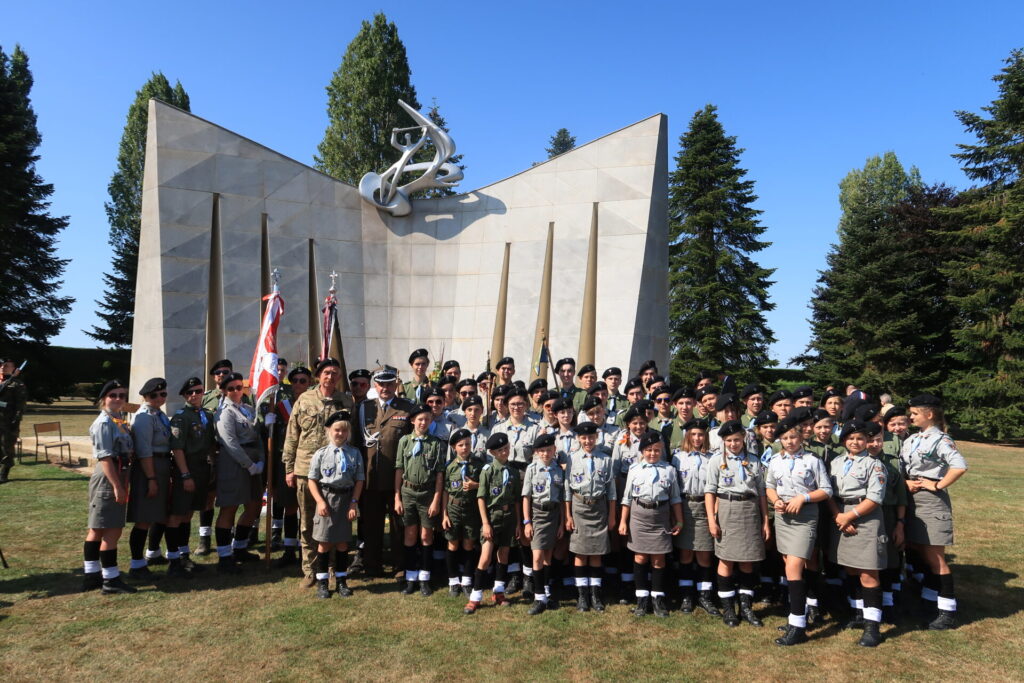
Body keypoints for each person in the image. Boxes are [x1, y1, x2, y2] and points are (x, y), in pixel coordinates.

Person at [282, 359, 354, 586]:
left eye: (334, 373)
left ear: (339, 376)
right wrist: (289, 468)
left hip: (336, 473)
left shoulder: (346, 401)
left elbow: (351, 438)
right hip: (306, 470)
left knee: (335, 520)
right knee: (307, 522)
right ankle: (310, 569)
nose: (330, 377)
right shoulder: (304, 400)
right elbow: (292, 435)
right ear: (318, 376)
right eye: (326, 373)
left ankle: (331, 566)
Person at [900, 394, 968, 630]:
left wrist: (937, 485)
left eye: (915, 413)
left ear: (929, 414)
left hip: (931, 501)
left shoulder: (941, 440)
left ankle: (947, 610)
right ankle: (929, 601)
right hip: (911, 498)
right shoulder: (912, 439)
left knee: (935, 557)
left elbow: (959, 466)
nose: (911, 417)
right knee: (918, 549)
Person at [766, 415, 833, 646]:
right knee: (789, 564)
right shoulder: (775, 460)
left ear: (801, 436)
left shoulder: (812, 460)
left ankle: (797, 625)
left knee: (794, 566)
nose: (789, 441)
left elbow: (826, 490)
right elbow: (770, 486)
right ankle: (800, 612)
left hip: (805, 516)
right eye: (784, 438)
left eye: (793, 437)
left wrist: (803, 497)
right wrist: (775, 501)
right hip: (784, 517)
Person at [828, 420, 888, 647]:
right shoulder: (836, 462)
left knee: (868, 571)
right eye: (851, 438)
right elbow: (830, 494)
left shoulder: (875, 465)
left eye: (860, 438)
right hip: (841, 514)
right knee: (850, 566)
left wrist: (849, 516)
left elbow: (875, 497)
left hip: (865, 516)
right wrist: (839, 517)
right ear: (844, 440)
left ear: (867, 441)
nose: (855, 442)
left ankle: (873, 627)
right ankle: (858, 614)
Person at [705, 420, 770, 628]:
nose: (734, 444)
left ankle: (746, 607)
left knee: (747, 560)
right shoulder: (716, 461)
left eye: (737, 440)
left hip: (750, 511)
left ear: (744, 439)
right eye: (729, 440)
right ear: (723, 441)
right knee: (726, 559)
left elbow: (761, 493)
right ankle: (729, 608)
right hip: (727, 508)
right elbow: (710, 491)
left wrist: (766, 520)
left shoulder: (754, 461)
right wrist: (711, 520)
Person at [354, 370, 416, 578]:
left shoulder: (407, 408)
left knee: (399, 524)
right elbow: (356, 442)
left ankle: (400, 566)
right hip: (370, 477)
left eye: (389, 384)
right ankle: (372, 565)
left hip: (397, 479)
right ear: (375, 386)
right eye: (381, 385)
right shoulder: (364, 408)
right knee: (372, 524)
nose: (385, 388)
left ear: (396, 384)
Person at [619, 432, 683, 617]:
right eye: (648, 450)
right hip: (639, 515)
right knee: (640, 557)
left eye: (656, 450)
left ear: (662, 450)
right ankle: (642, 599)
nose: (652, 454)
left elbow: (675, 498)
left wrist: (679, 520)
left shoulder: (669, 470)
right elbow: (627, 498)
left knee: (658, 559)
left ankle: (658, 599)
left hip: (660, 515)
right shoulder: (634, 469)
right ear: (642, 451)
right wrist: (623, 521)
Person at [82, 380, 137, 594]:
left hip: (116, 473)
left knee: (98, 527)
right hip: (110, 476)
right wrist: (118, 486)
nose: (118, 399)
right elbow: (105, 457)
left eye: (122, 395)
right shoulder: (104, 423)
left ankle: (92, 575)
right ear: (103, 398)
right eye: (113, 395)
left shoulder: (117, 420)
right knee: (111, 530)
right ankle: (111, 579)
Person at [307, 410, 364, 599]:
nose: (340, 434)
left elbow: (359, 481)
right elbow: (312, 480)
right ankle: (322, 583)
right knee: (324, 542)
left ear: (348, 433)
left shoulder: (355, 453)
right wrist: (320, 501)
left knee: (342, 542)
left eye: (344, 431)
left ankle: (341, 581)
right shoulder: (321, 454)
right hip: (327, 499)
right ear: (329, 431)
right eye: (336, 430)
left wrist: (353, 504)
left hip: (346, 500)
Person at [464, 432, 522, 614]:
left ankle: (498, 592)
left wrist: (519, 523)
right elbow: (481, 498)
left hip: (509, 518)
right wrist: (486, 523)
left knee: (503, 555)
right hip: (492, 517)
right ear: (492, 452)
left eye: (506, 448)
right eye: (500, 450)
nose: (505, 452)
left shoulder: (512, 472)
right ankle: (475, 596)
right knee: (486, 557)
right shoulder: (487, 471)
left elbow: (516, 500)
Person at [212, 372, 264, 574]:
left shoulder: (248, 409)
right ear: (224, 391)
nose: (235, 391)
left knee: (253, 505)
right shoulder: (224, 412)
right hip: (234, 462)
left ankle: (240, 548)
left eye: (238, 387)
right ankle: (224, 556)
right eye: (230, 388)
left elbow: (257, 436)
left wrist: (260, 460)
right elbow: (230, 443)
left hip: (253, 460)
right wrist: (249, 465)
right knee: (230, 507)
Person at [564, 421, 616, 613]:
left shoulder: (605, 460)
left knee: (596, 552)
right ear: (578, 438)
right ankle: (582, 595)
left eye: (591, 437)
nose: (588, 441)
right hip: (579, 507)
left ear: (597, 437)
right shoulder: (571, 459)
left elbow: (611, 492)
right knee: (580, 552)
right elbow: (567, 491)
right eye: (584, 437)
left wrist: (612, 516)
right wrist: (568, 516)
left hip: (599, 507)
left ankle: (595, 594)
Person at [166, 377, 216, 578]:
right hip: (186, 469)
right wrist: (185, 475)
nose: (194, 395)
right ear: (185, 396)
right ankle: (173, 560)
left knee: (188, 514)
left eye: (198, 391)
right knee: (177, 515)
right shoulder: (181, 417)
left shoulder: (206, 415)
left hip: (202, 469)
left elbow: (210, 443)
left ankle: (184, 555)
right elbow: (177, 448)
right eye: (190, 393)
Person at [394, 404, 444, 596]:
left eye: (427, 419)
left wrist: (436, 500)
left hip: (427, 494)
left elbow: (439, 474)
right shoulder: (405, 441)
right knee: (410, 534)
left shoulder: (435, 444)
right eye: (420, 419)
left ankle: (425, 577)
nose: (423, 423)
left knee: (426, 536)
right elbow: (399, 469)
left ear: (431, 422)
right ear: (413, 421)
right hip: (408, 492)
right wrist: (397, 496)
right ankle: (410, 577)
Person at [127, 378, 172, 581]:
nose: (159, 398)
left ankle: (153, 553)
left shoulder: (158, 414)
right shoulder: (144, 416)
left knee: (160, 512)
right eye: (154, 395)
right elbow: (144, 450)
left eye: (163, 394)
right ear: (145, 396)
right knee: (144, 517)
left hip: (162, 464)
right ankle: (136, 563)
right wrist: (151, 478)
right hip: (150, 466)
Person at [671, 419, 718, 616]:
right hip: (685, 505)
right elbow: (673, 488)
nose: (697, 438)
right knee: (686, 553)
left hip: (705, 505)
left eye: (700, 435)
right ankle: (686, 595)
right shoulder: (678, 458)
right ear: (687, 436)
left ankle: (704, 595)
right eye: (693, 434)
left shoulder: (713, 458)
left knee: (704, 553)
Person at [865, 421, 907, 624]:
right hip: (864, 515)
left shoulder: (892, 464)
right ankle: (864, 605)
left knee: (889, 559)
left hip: (888, 515)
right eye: (870, 440)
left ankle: (888, 603)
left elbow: (901, 498)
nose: (874, 444)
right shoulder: (854, 462)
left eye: (878, 440)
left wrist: (900, 523)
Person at [521, 432, 565, 615]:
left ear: (554, 450)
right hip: (538, 514)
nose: (546, 453)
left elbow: (562, 499)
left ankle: (546, 591)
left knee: (548, 555)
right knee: (537, 556)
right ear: (537, 452)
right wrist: (527, 522)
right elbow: (526, 497)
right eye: (542, 450)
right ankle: (538, 597)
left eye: (549, 450)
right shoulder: (532, 469)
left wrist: (562, 523)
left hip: (553, 514)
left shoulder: (558, 470)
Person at [442, 429, 485, 597]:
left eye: (467, 444)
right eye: (460, 445)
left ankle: (467, 580)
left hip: (471, 508)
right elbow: (446, 491)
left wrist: (475, 485)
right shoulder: (450, 467)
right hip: (453, 508)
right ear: (454, 448)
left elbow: (485, 485)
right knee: (453, 543)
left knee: (468, 543)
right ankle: (453, 581)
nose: (465, 447)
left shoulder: (478, 465)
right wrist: (444, 514)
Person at [0, 358, 27, 483]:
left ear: (14, 369)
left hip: (8, 422)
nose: (3, 367)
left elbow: (20, 406)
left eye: (6, 365)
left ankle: (4, 474)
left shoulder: (17, 384)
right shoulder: (2, 382)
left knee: (7, 448)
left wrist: (15, 421)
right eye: (1, 365)